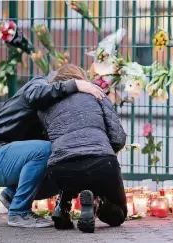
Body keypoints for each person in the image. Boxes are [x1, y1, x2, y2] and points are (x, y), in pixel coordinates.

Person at [0, 71, 105, 228]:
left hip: (5, 158)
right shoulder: (38, 84)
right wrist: (75, 85)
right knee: (45, 150)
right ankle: (19, 212)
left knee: (61, 164)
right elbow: (35, 94)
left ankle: (11, 195)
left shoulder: (53, 102)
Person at [38, 64, 127, 233]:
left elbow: (46, 139)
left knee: (71, 165)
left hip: (61, 167)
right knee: (119, 215)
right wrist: (106, 150)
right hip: (101, 162)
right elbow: (118, 138)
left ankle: (62, 207)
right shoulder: (97, 94)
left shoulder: (47, 103)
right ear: (82, 79)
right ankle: (98, 202)